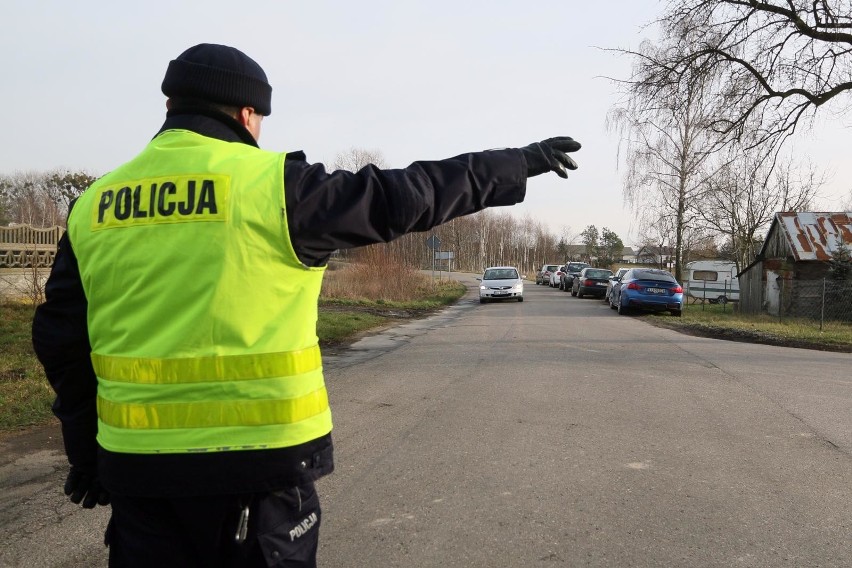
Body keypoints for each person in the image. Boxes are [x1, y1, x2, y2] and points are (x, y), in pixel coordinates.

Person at [31, 43, 581, 567]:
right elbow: (408, 194)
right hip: (259, 473)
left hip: (138, 475)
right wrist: (516, 163)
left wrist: (87, 453)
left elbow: (60, 340)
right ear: (248, 115)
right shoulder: (277, 189)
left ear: (170, 106)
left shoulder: (93, 205)